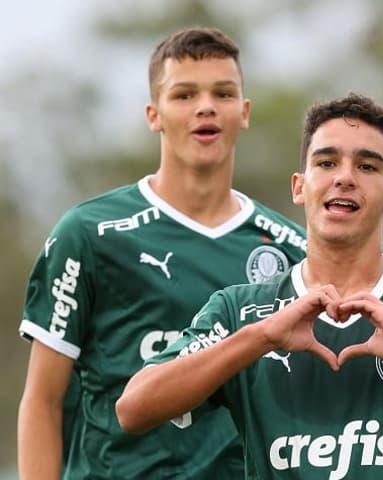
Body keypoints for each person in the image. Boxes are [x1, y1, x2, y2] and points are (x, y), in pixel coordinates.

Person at [115, 92, 383, 479]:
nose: (344, 176)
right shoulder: (240, 311)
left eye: (366, 165)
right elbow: (134, 409)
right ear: (300, 187)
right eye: (326, 162)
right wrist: (261, 337)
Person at [17, 27, 307, 479]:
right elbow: (43, 400)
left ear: (244, 112)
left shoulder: (291, 248)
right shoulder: (89, 234)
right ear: (154, 114)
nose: (205, 106)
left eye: (223, 93)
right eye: (185, 95)